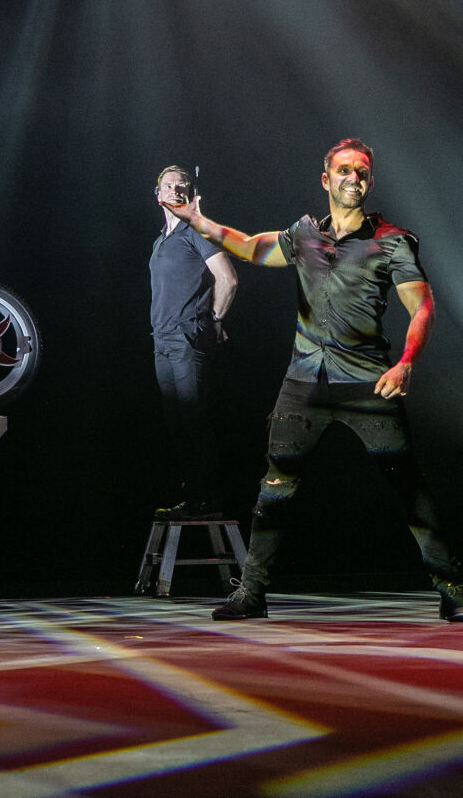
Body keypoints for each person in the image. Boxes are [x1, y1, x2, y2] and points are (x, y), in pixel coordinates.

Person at [163, 138, 462, 622]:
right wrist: (197, 220)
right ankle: (252, 594)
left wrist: (406, 361)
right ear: (327, 179)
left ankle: (454, 590)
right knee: (275, 487)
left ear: (369, 181)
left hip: (368, 383)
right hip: (304, 382)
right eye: (344, 170)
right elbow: (249, 248)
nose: (353, 178)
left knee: (408, 487)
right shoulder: (304, 236)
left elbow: (422, 305)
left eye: (361, 172)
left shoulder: (392, 240)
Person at [150, 165, 237, 520]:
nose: (174, 190)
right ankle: (193, 495)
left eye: (182, 186)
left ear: (191, 195)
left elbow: (228, 279)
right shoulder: (162, 239)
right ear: (157, 194)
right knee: (177, 421)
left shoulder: (195, 231)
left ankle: (207, 498)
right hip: (162, 339)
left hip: (187, 337)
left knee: (192, 418)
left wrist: (214, 320)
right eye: (168, 185)